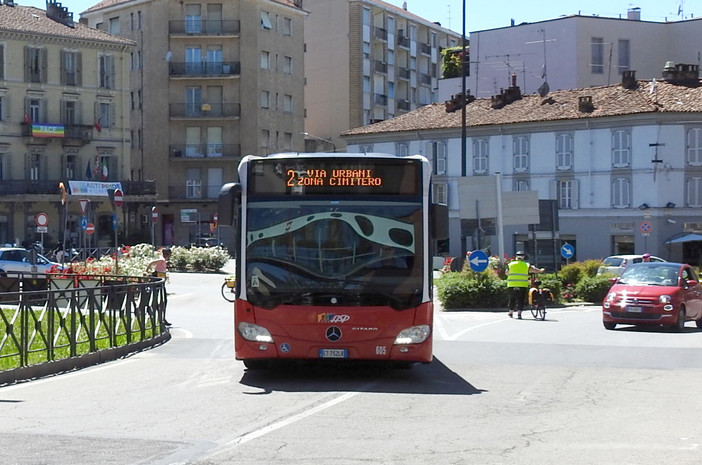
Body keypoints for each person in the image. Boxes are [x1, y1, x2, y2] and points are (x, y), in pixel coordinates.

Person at [506, 251, 545, 319]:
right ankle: (519, 314)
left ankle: (510, 312)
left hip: (512, 284)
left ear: (516, 257)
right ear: (523, 257)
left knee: (512, 299)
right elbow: (534, 270)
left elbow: (506, 273)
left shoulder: (510, 264)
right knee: (521, 299)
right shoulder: (526, 265)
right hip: (522, 284)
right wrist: (540, 271)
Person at [146, 248, 172, 326]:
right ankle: (160, 318)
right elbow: (151, 263)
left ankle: (161, 318)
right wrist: (146, 270)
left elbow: (161, 270)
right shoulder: (162, 259)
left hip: (160, 280)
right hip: (157, 281)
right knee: (161, 299)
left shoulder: (163, 260)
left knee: (161, 299)